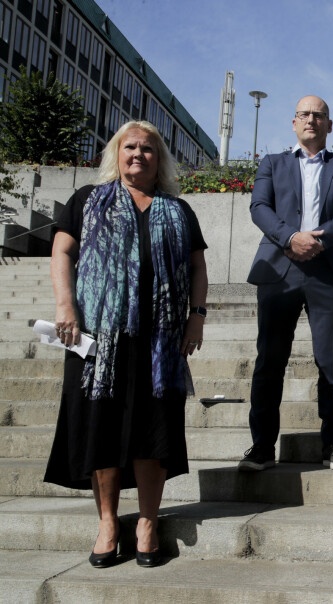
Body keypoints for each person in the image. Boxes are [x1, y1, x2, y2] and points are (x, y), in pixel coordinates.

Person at [44, 120, 209, 567]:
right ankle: (107, 522)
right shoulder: (87, 201)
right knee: (103, 428)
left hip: (160, 340)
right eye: (130, 147)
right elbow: (62, 251)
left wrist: (196, 318)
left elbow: (197, 267)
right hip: (99, 338)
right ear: (116, 154)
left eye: (148, 148)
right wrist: (66, 307)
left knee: (153, 430)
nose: (138, 154)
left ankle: (148, 523)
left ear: (161, 159)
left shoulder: (178, 211)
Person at [239, 96, 333, 473]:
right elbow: (259, 207)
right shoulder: (272, 163)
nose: (312, 120)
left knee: (330, 360)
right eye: (305, 114)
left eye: (319, 115)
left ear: (330, 125)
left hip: (328, 272)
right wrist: (291, 237)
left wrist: (319, 239)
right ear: (294, 123)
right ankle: (262, 446)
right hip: (280, 269)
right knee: (269, 360)